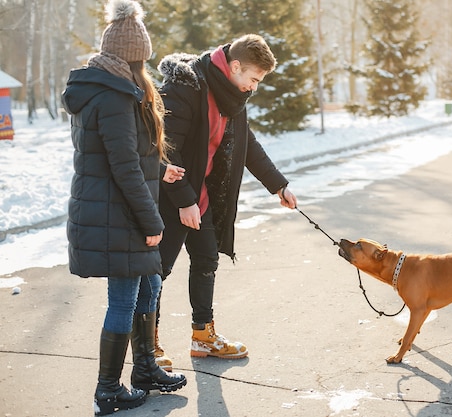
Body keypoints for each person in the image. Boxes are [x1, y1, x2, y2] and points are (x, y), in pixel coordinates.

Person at [61, 1, 187, 415]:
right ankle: (108, 388)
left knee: (149, 280)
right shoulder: (114, 97)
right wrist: (152, 221)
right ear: (134, 58)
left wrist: (161, 168)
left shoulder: (108, 88)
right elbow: (123, 165)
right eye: (143, 61)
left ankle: (146, 369)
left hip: (118, 207)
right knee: (123, 298)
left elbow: (126, 153)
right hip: (118, 213)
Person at [153, 34, 298, 368]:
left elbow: (247, 144)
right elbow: (165, 148)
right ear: (235, 66)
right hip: (169, 194)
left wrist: (278, 185)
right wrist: (184, 200)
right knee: (156, 271)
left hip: (202, 195)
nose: (254, 87)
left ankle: (203, 336)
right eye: (253, 79)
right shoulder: (186, 87)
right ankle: (149, 345)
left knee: (206, 261)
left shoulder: (232, 95)